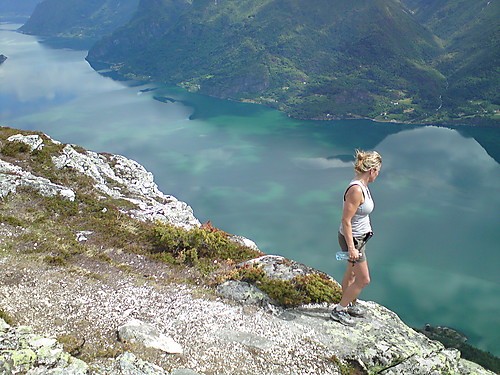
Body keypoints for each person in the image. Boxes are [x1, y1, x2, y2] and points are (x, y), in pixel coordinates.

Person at [330, 149, 382, 326]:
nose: (377, 176)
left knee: (351, 273)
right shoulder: (356, 190)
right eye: (378, 172)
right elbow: (346, 220)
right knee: (364, 279)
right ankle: (339, 310)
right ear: (372, 170)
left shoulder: (363, 186)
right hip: (354, 240)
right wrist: (352, 248)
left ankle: (348, 304)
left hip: (360, 238)